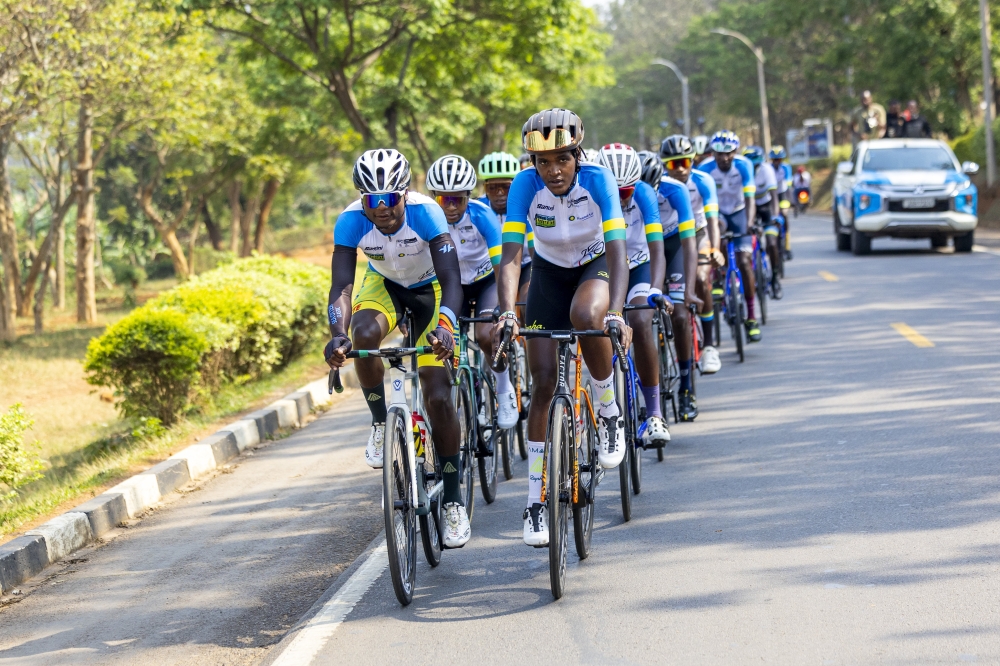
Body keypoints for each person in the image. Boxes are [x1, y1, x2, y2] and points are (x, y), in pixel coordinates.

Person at [490, 108, 632, 547]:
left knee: (587, 317)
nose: (553, 171)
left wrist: (618, 312)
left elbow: (617, 251)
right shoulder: (524, 186)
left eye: (562, 160)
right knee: (543, 383)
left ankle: (608, 410)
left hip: (594, 267)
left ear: (577, 154)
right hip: (549, 274)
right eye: (543, 162)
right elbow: (512, 254)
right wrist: (508, 312)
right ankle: (536, 500)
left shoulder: (598, 181)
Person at [324, 148, 471, 548]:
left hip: (432, 289)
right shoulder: (351, 221)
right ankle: (379, 422)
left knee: (436, 391)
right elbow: (341, 287)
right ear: (362, 199)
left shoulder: (427, 215)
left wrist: (445, 326)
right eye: (373, 200)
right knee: (362, 336)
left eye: (390, 198)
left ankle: (454, 501)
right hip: (385, 285)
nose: (382, 208)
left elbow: (453, 281)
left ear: (405, 193)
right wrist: (337, 334)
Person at [427, 154, 517, 429]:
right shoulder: (429, 220)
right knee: (444, 344)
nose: (451, 207)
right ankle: (468, 398)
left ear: (469, 196)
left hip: (486, 281)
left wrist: (506, 308)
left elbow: (502, 266)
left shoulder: (483, 215)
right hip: (452, 287)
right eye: (444, 200)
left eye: (458, 199)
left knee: (485, 335)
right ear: (435, 198)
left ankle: (504, 390)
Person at [594, 143, 671, 445]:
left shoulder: (644, 195)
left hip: (638, 265)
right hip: (601, 267)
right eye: (615, 190)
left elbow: (658, 250)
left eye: (626, 191)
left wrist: (655, 289)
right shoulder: (589, 191)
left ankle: (654, 414)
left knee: (639, 322)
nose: (620, 197)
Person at [660, 134, 722, 376]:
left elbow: (713, 221)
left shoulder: (703, 180)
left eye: (686, 162)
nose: (681, 169)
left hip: (698, 232)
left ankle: (708, 346)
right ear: (665, 164)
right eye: (674, 164)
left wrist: (715, 249)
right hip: (668, 237)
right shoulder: (660, 183)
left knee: (700, 278)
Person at [648, 143, 702, 419]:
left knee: (680, 316)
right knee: (640, 315)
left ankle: (686, 387)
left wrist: (689, 290)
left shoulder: (675, 189)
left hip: (674, 243)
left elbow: (690, 243)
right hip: (643, 246)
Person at [696, 130, 761, 342]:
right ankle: (718, 278)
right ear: (712, 153)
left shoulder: (744, 165)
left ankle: (751, 316)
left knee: (744, 261)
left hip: (740, 212)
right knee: (717, 243)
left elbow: (750, 199)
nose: (724, 158)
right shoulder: (704, 169)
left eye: (729, 153)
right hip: (717, 214)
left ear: (735, 151)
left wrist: (749, 224)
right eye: (719, 154)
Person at [478, 152, 533, 318]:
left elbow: (534, 247)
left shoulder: (528, 205)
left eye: (506, 187)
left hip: (525, 264)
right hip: (493, 268)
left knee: (528, 305)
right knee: (494, 313)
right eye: (492, 188)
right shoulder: (478, 209)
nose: (500, 193)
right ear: (485, 189)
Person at [744, 146, 782, 299]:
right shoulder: (741, 170)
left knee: (772, 243)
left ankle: (774, 278)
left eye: (756, 165)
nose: (753, 168)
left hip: (766, 208)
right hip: (748, 208)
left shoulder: (767, 170)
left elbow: (774, 196)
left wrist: (775, 216)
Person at [769, 145, 793, 261]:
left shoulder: (786, 168)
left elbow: (788, 186)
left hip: (783, 195)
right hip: (771, 196)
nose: (776, 162)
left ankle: (787, 247)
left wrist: (791, 201)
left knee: (784, 214)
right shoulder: (768, 168)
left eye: (779, 159)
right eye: (774, 160)